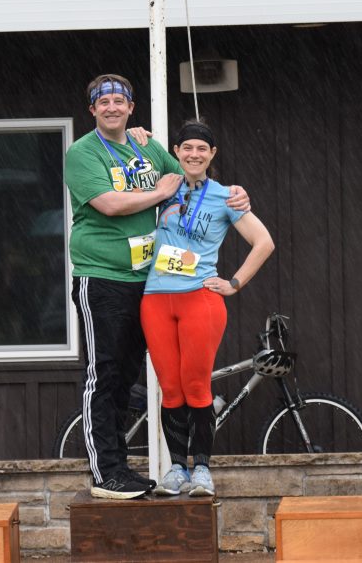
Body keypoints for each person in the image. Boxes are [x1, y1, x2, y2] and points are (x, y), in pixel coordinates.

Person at [65, 74, 250, 500]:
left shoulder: (145, 147)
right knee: (104, 374)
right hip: (102, 277)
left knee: (128, 377)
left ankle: (124, 469)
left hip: (145, 281)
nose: (112, 107)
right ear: (92, 110)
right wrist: (157, 194)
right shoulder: (82, 152)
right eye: (103, 102)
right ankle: (106, 472)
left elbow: (189, 174)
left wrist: (234, 194)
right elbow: (110, 204)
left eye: (120, 101)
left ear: (131, 108)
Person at [140, 120, 274, 497]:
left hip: (200, 299)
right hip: (155, 300)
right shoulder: (163, 187)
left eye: (202, 148)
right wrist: (137, 134)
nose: (194, 154)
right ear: (176, 152)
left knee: (196, 386)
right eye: (187, 148)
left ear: (212, 154)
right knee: (170, 389)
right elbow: (132, 168)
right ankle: (176, 469)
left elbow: (263, 242)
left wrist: (233, 283)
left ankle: (201, 469)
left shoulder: (226, 197)